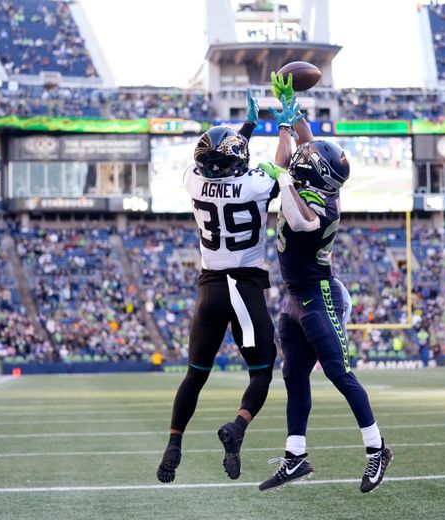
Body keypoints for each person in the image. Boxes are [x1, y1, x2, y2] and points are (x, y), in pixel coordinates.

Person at [257, 79, 392, 493]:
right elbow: (311, 146)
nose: (304, 155)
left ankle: (377, 450)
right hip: (295, 297)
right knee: (294, 376)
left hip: (318, 296)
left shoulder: (320, 203)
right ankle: (295, 457)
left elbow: (300, 220)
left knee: (339, 373)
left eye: (307, 159)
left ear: (314, 173)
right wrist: (291, 110)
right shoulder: (317, 181)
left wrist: (282, 178)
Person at [156, 90, 279, 484]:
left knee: (195, 374)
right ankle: (238, 427)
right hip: (243, 287)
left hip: (209, 288)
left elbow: (219, 161)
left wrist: (245, 127)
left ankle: (173, 444)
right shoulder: (257, 185)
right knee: (260, 373)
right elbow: (274, 169)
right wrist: (281, 126)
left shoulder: (193, 181)